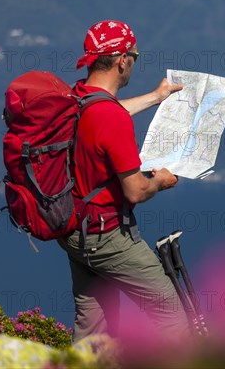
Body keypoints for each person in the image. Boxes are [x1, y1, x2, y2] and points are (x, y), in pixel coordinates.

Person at [57, 20, 189, 341]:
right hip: (108, 238)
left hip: (75, 231)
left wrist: (157, 97)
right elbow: (135, 189)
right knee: (171, 317)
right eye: (135, 56)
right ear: (122, 60)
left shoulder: (78, 97)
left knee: (93, 326)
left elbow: (106, 112)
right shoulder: (112, 119)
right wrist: (160, 180)